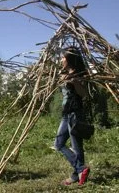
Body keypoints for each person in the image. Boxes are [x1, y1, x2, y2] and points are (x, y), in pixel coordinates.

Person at [54, 47, 90, 186]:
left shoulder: (79, 74)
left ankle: (77, 175)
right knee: (59, 143)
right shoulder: (64, 73)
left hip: (75, 113)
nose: (62, 60)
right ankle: (81, 169)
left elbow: (83, 94)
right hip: (66, 114)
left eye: (64, 58)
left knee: (76, 146)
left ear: (70, 59)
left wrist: (74, 82)